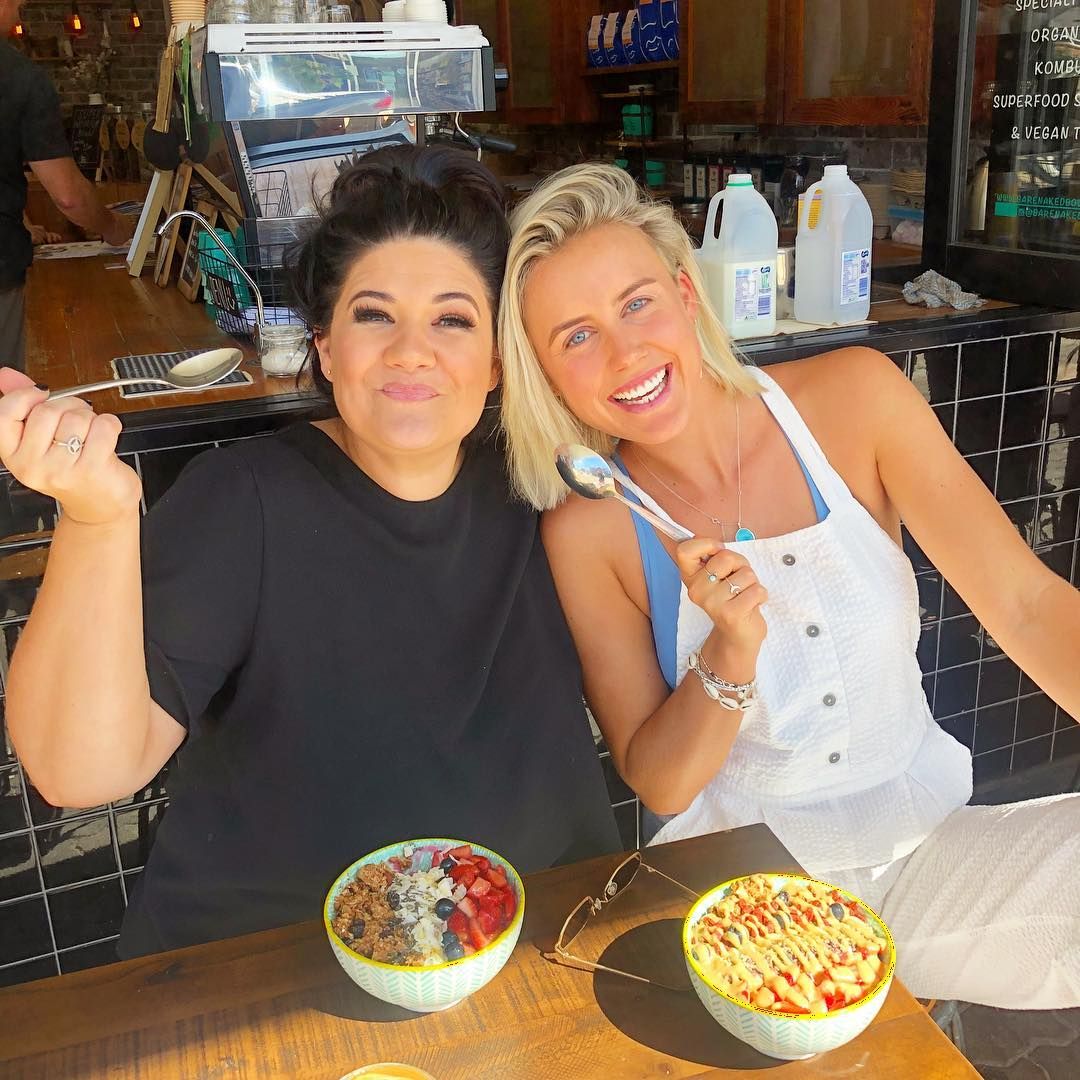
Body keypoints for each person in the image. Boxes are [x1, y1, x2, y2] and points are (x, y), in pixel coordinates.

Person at [0, 145, 618, 958]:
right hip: (274, 968)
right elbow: (77, 771)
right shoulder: (244, 500)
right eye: (373, 315)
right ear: (325, 347)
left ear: (499, 360)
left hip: (532, 942)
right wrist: (96, 519)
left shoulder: (548, 487)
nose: (410, 350)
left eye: (453, 319)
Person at [496, 162, 1080, 1009]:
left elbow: (1026, 607)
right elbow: (662, 783)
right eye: (576, 337)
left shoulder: (855, 399)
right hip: (743, 894)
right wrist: (729, 653)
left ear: (686, 297)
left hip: (928, 850)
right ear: (548, 376)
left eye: (637, 304)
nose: (625, 353)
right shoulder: (590, 529)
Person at [0, 0, 134, 370]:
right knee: (9, 392)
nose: (22, 4)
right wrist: (114, 227)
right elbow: (68, 196)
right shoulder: (18, 77)